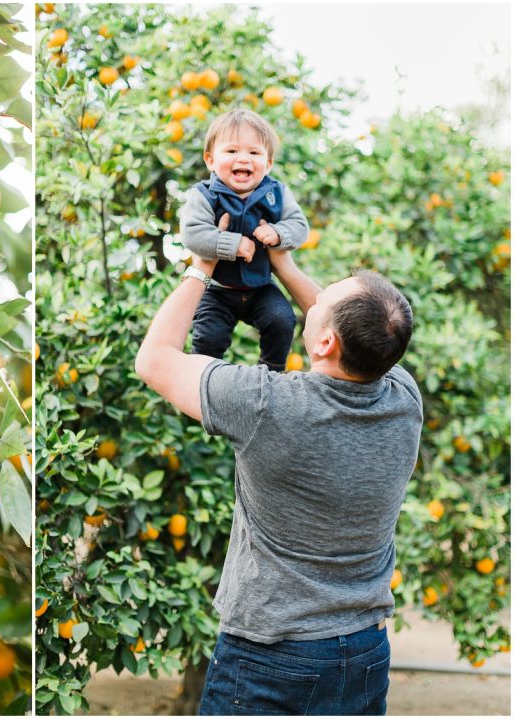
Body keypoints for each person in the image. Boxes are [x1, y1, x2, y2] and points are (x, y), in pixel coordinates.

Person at [134, 248, 422, 716]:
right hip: (365, 651)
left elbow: (153, 360)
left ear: (325, 342)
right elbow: (356, 334)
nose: (317, 293)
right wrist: (283, 263)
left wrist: (201, 267)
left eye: (325, 295)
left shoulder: (265, 405)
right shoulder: (404, 397)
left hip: (272, 656)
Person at [179, 108, 309, 372]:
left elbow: (300, 226)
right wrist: (231, 244)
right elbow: (192, 233)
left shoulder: (277, 193)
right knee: (208, 337)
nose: (244, 159)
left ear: (268, 163)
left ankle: (272, 370)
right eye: (232, 151)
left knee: (282, 320)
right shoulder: (204, 195)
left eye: (254, 153)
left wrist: (278, 233)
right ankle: (201, 378)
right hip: (216, 290)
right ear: (210, 160)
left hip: (261, 287)